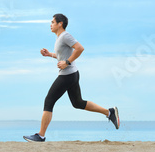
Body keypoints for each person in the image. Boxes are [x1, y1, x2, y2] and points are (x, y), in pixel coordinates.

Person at [23, 13, 120, 142]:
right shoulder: (59, 38)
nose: (50, 25)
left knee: (49, 101)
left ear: (60, 24)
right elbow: (62, 56)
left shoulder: (65, 36)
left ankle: (40, 135)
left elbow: (80, 48)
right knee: (78, 103)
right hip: (72, 74)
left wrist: (67, 62)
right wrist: (50, 55)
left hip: (67, 75)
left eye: (52, 22)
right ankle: (109, 112)